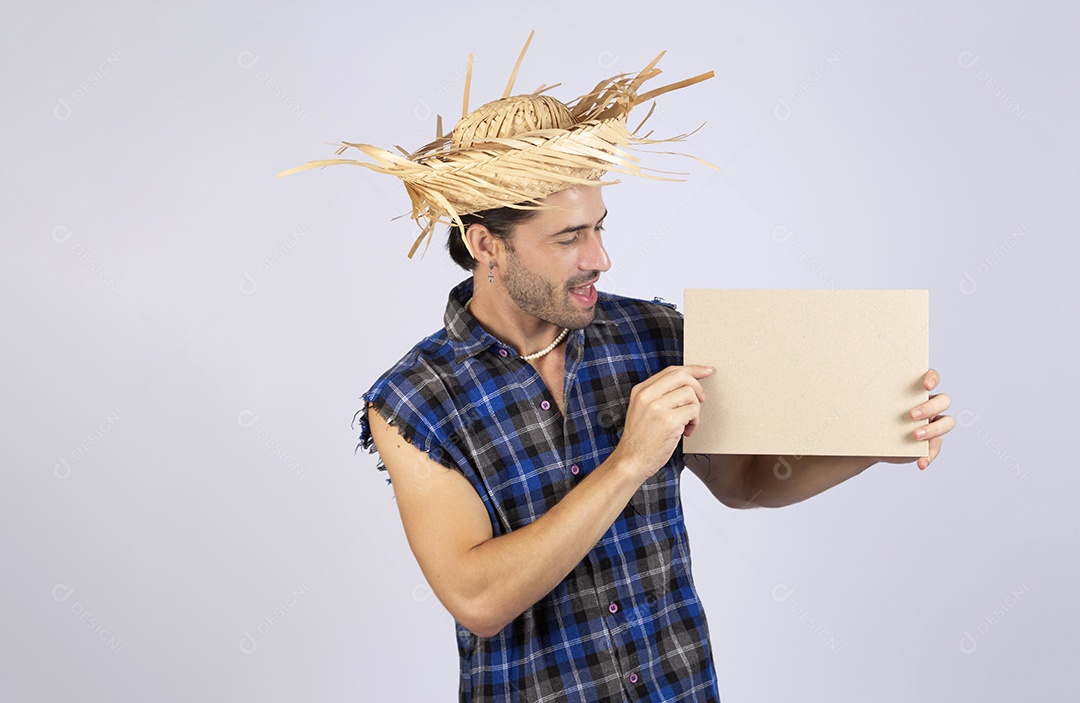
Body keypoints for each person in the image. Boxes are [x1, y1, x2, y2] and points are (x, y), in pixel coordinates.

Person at [282, 37, 954, 703]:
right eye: (570, 237)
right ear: (486, 245)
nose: (601, 257)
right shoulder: (413, 401)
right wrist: (629, 461)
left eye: (599, 226)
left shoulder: (654, 333)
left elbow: (747, 480)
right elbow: (478, 598)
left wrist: (870, 441)